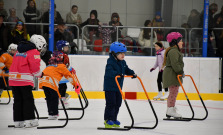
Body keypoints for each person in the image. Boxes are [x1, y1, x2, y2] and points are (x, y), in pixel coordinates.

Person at [9, 34, 47, 128]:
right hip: (24, 80)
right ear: (39, 44)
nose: (41, 50)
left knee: (18, 100)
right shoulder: (34, 52)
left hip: (13, 79)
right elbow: (35, 68)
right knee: (28, 100)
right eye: (42, 47)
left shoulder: (19, 50)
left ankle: (18, 121)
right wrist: (40, 74)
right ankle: (30, 120)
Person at [103, 42, 137, 128]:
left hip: (118, 87)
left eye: (124, 53)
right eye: (120, 53)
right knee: (111, 103)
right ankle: (108, 120)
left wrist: (132, 73)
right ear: (114, 54)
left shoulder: (123, 62)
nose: (123, 55)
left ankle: (114, 119)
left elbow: (126, 69)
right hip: (110, 87)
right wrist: (118, 74)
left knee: (118, 103)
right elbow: (109, 71)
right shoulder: (110, 62)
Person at [40, 55, 80, 120]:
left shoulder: (48, 67)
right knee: (55, 97)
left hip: (43, 82)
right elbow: (69, 76)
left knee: (49, 98)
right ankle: (54, 114)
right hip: (51, 82)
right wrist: (76, 86)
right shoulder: (61, 66)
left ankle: (51, 113)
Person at [162, 32, 185, 118]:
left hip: (172, 74)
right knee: (173, 93)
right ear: (175, 42)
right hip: (172, 75)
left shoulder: (174, 51)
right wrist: (180, 72)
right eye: (180, 41)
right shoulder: (173, 52)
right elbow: (175, 64)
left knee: (174, 92)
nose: (182, 42)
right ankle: (170, 109)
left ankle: (170, 109)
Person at [53, 40, 76, 108]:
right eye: (66, 47)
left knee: (62, 87)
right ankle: (61, 100)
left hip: (59, 75)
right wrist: (70, 69)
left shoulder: (58, 54)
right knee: (62, 87)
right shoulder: (62, 55)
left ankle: (60, 99)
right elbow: (63, 66)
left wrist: (70, 68)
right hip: (60, 75)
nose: (68, 49)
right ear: (61, 48)